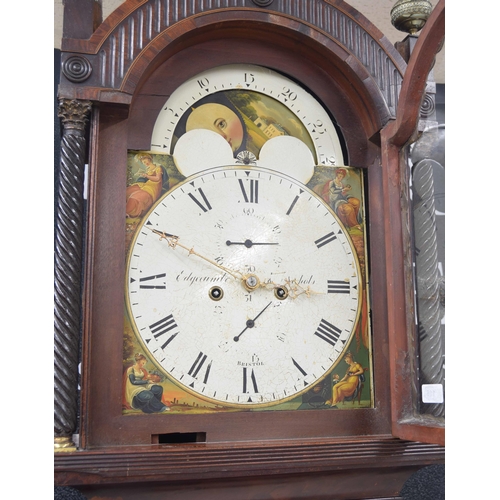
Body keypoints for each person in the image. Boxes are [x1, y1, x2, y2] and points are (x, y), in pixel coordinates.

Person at [126, 153, 168, 218]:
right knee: (128, 190)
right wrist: (143, 175)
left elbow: (157, 178)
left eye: (145, 161)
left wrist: (146, 176)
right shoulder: (148, 169)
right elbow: (147, 177)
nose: (145, 163)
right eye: (143, 162)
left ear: (149, 158)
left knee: (135, 196)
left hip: (153, 187)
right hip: (147, 184)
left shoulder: (158, 167)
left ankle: (126, 212)